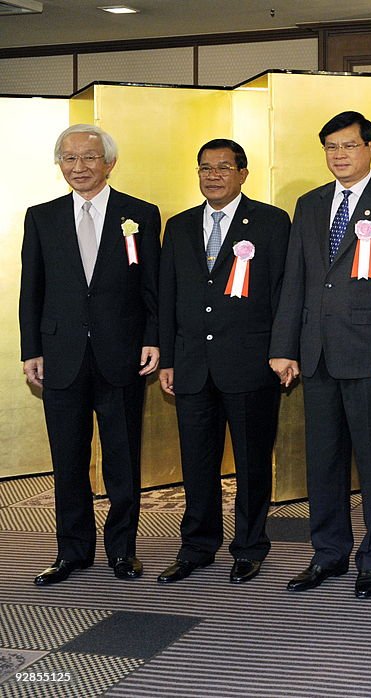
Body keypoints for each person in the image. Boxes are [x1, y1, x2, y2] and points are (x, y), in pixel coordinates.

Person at [269, 111, 371, 598]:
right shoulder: (310, 204)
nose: (340, 155)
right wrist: (284, 347)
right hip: (316, 357)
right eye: (332, 147)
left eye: (349, 146)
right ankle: (328, 553)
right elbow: (295, 279)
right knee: (324, 462)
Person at [20, 124, 161, 585]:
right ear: (60, 164)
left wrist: (153, 337)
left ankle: (122, 550)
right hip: (60, 356)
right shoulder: (41, 216)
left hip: (121, 353)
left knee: (122, 459)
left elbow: (151, 287)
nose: (78, 167)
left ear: (109, 163)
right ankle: (72, 552)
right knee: (68, 461)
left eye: (89, 158)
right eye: (69, 158)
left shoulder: (139, 214)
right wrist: (31, 350)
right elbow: (31, 291)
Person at [156, 139, 290, 585]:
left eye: (223, 167)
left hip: (250, 364)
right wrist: (168, 359)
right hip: (193, 365)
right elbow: (168, 297)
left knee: (252, 463)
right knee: (197, 463)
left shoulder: (271, 222)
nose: (212, 175)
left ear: (243, 173)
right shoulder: (178, 226)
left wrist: (281, 350)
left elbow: (281, 295)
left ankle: (250, 547)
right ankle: (197, 546)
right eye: (204, 168)